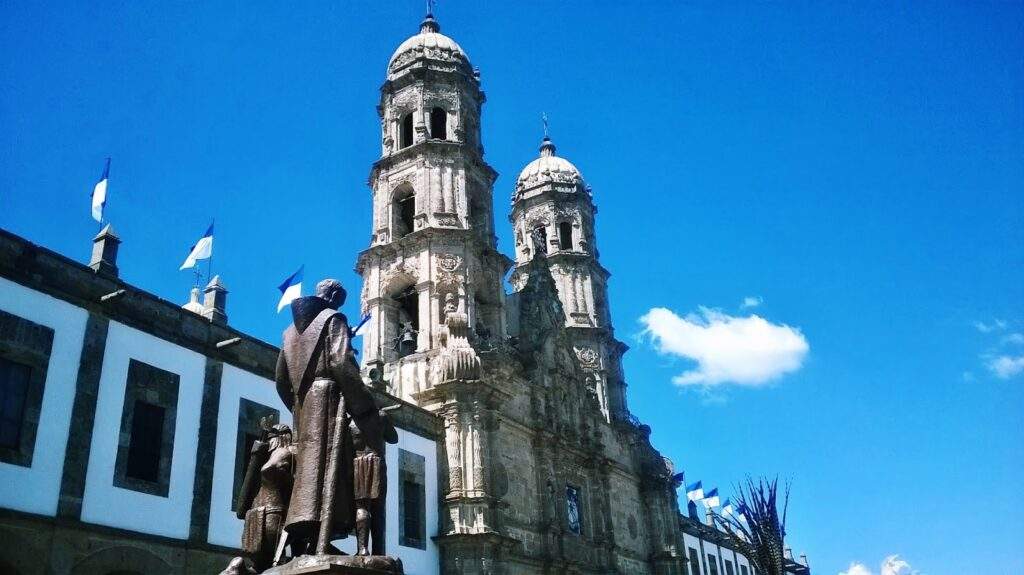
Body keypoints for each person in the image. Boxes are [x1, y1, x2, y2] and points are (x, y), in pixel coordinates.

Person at [275, 279, 378, 556]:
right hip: (330, 399)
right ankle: (323, 530)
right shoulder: (334, 319)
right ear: (332, 296)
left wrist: (299, 404)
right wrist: (365, 406)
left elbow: (281, 382)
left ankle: (310, 533)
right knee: (335, 469)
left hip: (304, 405)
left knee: (307, 473)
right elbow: (341, 363)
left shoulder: (289, 333)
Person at [235, 423, 294, 572]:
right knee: (273, 564)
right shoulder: (284, 453)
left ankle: (237, 569)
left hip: (255, 518)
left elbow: (241, 508)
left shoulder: (263, 458)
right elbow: (271, 468)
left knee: (260, 566)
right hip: (272, 517)